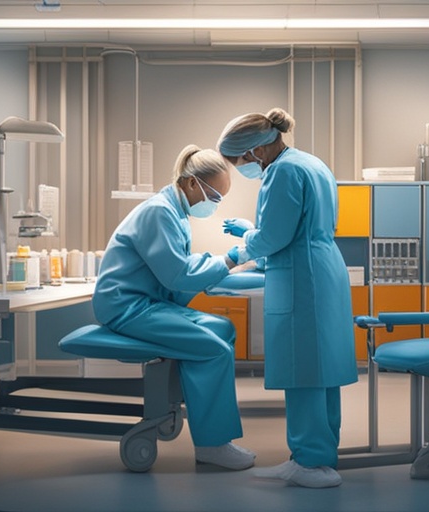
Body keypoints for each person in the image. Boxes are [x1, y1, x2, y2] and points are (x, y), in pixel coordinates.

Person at [216, 108, 358, 488]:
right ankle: (319, 457)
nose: (241, 168)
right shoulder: (310, 163)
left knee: (303, 371)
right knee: (321, 371)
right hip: (323, 268)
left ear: (256, 150)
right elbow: (299, 224)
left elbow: (274, 237)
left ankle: (310, 465)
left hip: (302, 277)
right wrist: (257, 231)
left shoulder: (281, 172)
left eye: (239, 161)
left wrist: (236, 253)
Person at [92, 144, 255, 470]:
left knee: (223, 328)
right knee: (213, 348)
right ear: (193, 183)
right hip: (127, 307)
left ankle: (188, 404)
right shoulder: (158, 212)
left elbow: (180, 270)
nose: (215, 204)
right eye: (215, 196)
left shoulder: (175, 212)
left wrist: (225, 271)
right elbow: (178, 274)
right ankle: (213, 444)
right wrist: (230, 259)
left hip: (149, 302)